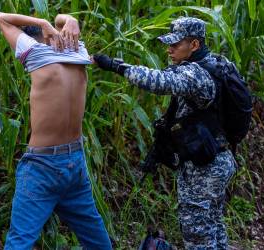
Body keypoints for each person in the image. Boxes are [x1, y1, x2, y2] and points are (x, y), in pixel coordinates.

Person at [93, 17, 237, 249]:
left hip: (205, 168)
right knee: (214, 227)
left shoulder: (196, 74)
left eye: (176, 44)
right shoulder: (216, 64)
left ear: (194, 45)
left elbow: (160, 81)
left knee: (199, 236)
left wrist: (115, 65)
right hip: (218, 159)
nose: (169, 49)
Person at [0, 12, 112, 249]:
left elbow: (1, 18)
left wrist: (42, 23)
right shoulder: (76, 50)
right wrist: (69, 21)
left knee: (19, 242)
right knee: (99, 243)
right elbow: (63, 20)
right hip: (74, 161)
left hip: (43, 166)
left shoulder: (35, 52)